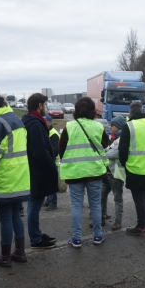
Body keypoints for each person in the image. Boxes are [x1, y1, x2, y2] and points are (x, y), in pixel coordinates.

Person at [0, 92, 33, 263]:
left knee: (5, 218)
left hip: (4, 179)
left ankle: (4, 256)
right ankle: (20, 252)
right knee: (15, 215)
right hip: (20, 178)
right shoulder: (16, 120)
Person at [59, 97, 110, 247]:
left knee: (76, 205)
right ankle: (98, 235)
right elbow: (105, 144)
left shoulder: (69, 127)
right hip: (95, 171)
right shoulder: (98, 127)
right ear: (93, 111)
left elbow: (61, 149)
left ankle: (76, 238)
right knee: (95, 204)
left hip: (74, 172)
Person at [21, 93, 58, 249]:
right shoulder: (35, 124)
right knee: (34, 206)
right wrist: (51, 165)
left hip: (33, 169)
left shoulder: (30, 120)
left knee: (34, 205)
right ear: (39, 106)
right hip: (37, 171)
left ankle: (37, 234)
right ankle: (35, 239)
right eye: (45, 105)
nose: (46, 108)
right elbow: (39, 151)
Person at [119, 101, 145, 236]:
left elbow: (122, 150)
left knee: (139, 199)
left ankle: (141, 225)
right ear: (142, 111)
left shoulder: (128, 126)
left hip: (134, 168)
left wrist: (124, 164)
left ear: (130, 112)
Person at [101, 116, 126, 231]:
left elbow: (110, 154)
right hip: (107, 171)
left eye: (112, 125)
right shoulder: (114, 138)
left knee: (117, 198)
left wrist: (104, 153)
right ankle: (102, 216)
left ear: (118, 127)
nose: (110, 127)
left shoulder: (122, 139)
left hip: (116, 173)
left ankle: (118, 221)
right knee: (101, 195)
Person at [43, 114, 60, 211]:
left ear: (49, 123)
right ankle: (49, 200)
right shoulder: (47, 132)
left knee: (51, 183)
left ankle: (53, 202)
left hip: (53, 162)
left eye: (45, 122)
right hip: (48, 161)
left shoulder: (53, 134)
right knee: (47, 183)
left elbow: (55, 150)